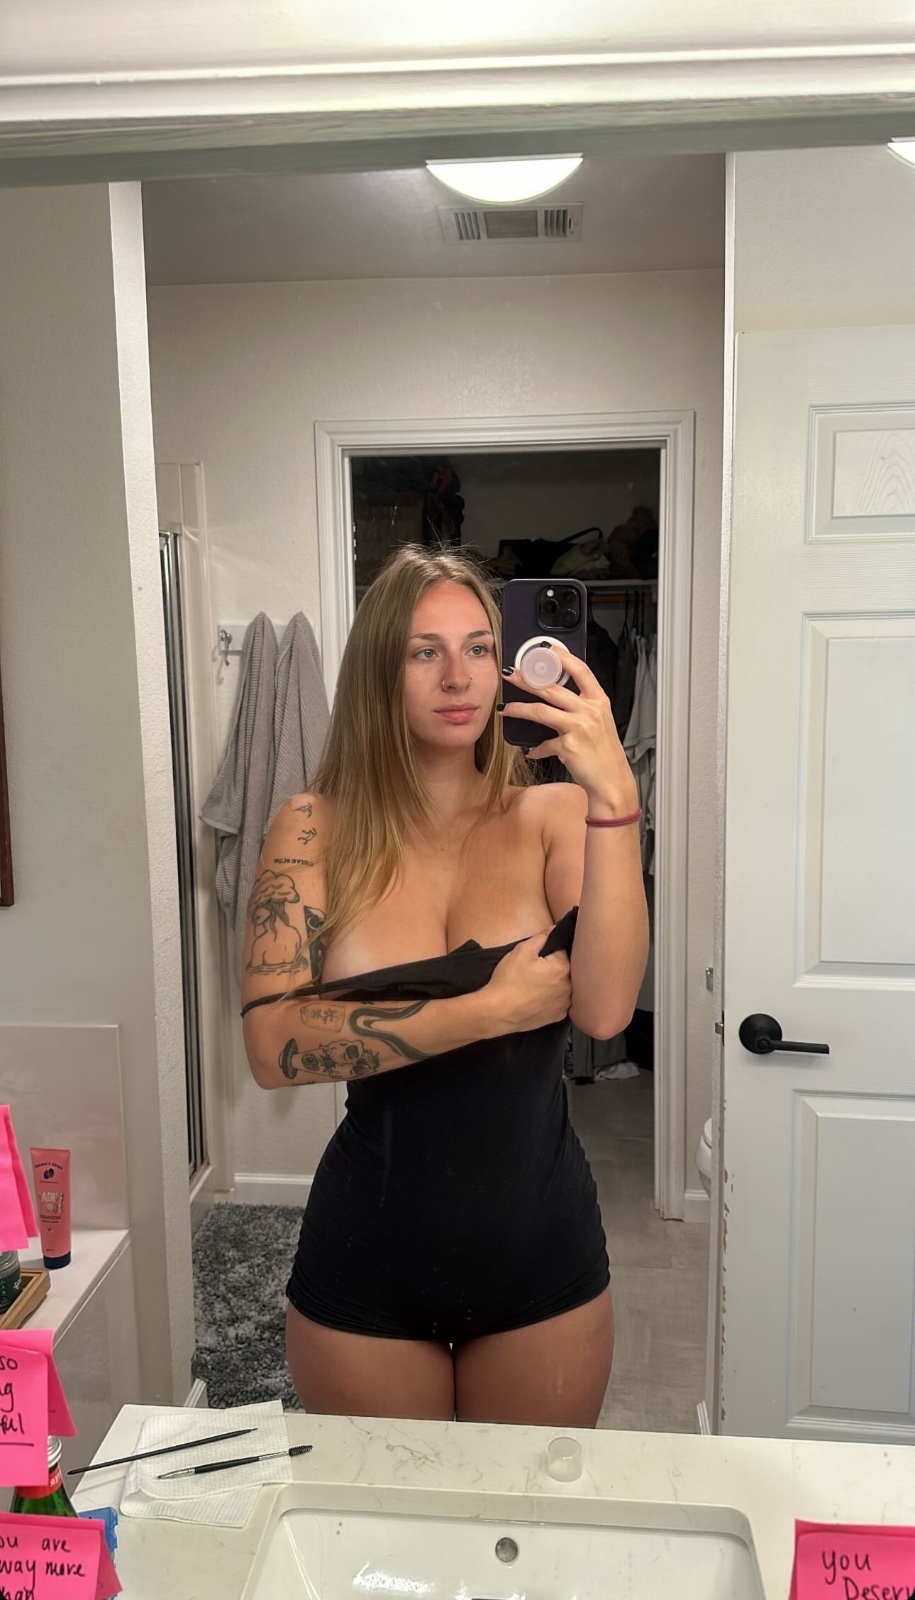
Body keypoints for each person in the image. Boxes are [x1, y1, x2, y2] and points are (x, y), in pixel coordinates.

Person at [240, 545, 649, 1426]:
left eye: (477, 648)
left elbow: (605, 1008)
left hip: (539, 1250)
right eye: (423, 651)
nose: (458, 677)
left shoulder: (556, 815)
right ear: (377, 671)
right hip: (367, 1254)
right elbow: (272, 1049)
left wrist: (615, 791)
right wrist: (488, 1010)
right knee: (380, 1514)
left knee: (522, 1508)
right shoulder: (312, 828)